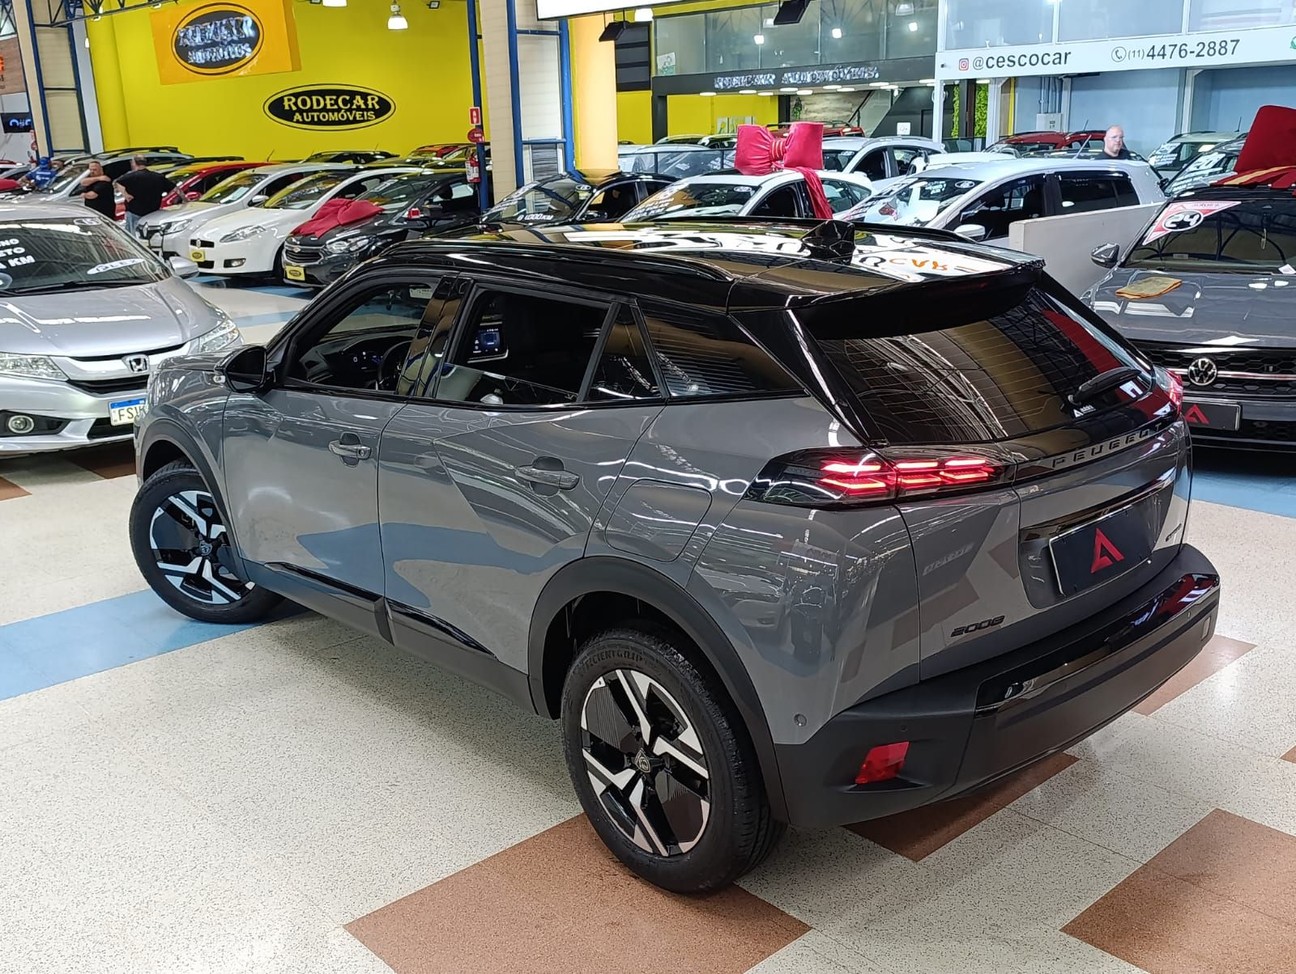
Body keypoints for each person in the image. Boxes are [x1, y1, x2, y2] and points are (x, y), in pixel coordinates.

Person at [115, 156, 175, 234]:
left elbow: (118, 183)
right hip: (153, 211)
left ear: (134, 163)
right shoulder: (157, 177)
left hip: (134, 211)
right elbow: (175, 189)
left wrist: (126, 195)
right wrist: (185, 199)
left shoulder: (130, 177)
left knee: (133, 235)